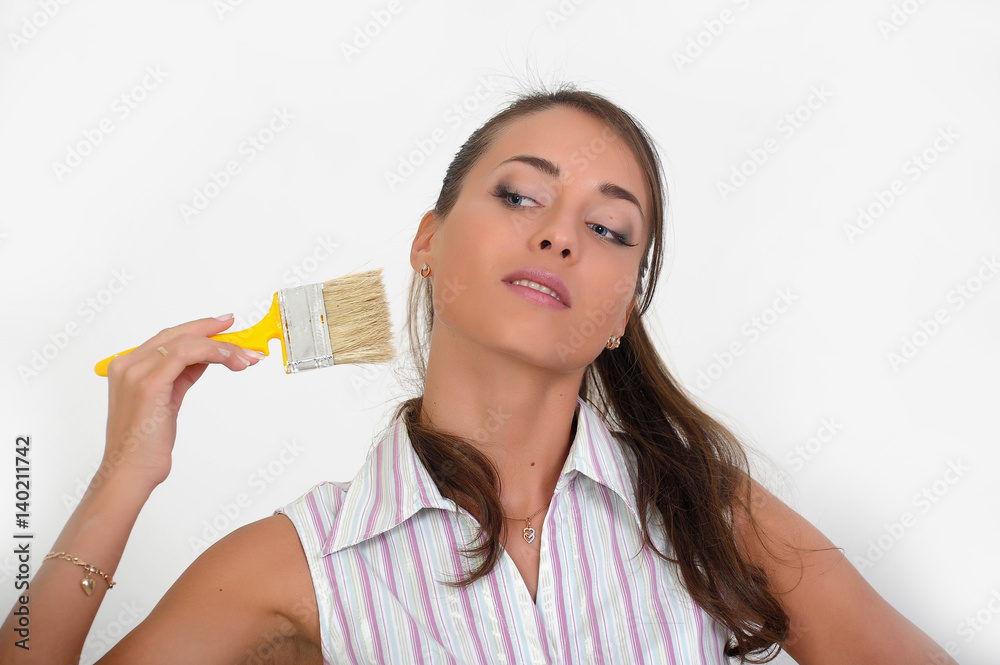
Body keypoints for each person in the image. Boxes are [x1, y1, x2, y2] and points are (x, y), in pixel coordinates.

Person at [2, 85, 959, 665]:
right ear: (426, 242)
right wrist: (122, 475)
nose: (557, 232)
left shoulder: (713, 515)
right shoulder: (295, 563)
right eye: (520, 195)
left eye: (608, 227)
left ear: (623, 308)